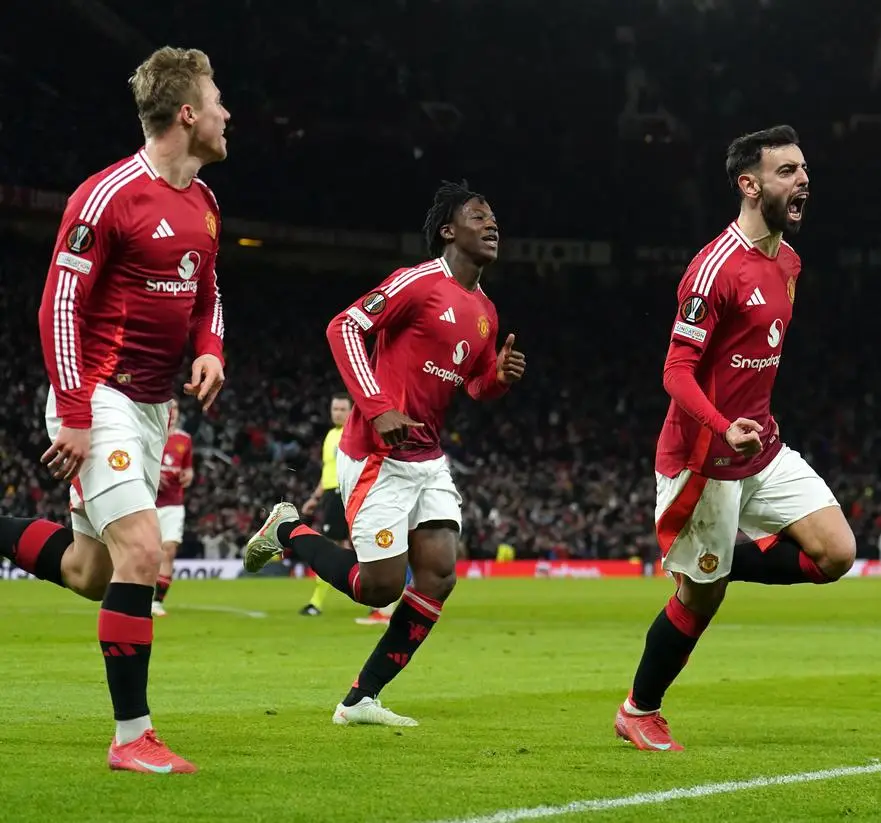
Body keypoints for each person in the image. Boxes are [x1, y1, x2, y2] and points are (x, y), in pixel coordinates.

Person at [0, 46, 227, 773]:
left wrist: (210, 347)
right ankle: (132, 736)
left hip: (155, 405)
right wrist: (72, 409)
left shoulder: (206, 204)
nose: (229, 114)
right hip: (100, 396)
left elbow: (208, 292)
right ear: (187, 113)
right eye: (217, 99)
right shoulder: (107, 196)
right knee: (142, 550)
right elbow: (57, 304)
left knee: (89, 570)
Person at [242, 181, 525, 726]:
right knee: (381, 586)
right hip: (376, 453)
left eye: (495, 220)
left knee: (439, 575)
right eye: (478, 217)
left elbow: (473, 385)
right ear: (449, 230)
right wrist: (375, 406)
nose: (492, 226)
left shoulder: (485, 309)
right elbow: (344, 325)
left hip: (428, 458)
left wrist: (498, 378)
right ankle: (286, 531)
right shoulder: (417, 283)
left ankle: (360, 699)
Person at [613, 126, 856, 753]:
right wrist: (724, 425)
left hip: (762, 447)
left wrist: (749, 425)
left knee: (835, 552)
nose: (802, 180)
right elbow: (675, 372)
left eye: (804, 168)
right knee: (701, 599)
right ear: (749, 185)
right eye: (786, 172)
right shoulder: (712, 269)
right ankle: (639, 709)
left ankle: (715, 561)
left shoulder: (790, 263)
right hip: (702, 457)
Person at [298, 392, 353, 617]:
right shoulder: (331, 435)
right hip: (332, 494)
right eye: (335, 409)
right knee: (343, 547)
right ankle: (376, 601)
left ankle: (316, 603)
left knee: (331, 547)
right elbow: (327, 471)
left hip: (346, 492)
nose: (338, 413)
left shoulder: (354, 434)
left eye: (342, 409)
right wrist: (315, 497)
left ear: (351, 412)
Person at [153, 400, 195, 616]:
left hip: (173, 504)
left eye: (176, 408)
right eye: (169, 408)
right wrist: (151, 475)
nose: (173, 412)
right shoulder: (148, 434)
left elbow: (187, 468)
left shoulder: (184, 439)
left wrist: (189, 474)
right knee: (144, 553)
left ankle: (157, 601)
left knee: (168, 550)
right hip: (147, 503)